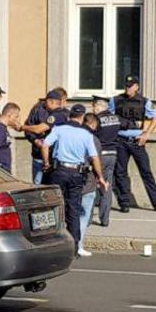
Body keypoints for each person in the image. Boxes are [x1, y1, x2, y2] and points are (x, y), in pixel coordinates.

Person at [41, 104, 108, 252]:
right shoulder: (86, 135)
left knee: (55, 207)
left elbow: (45, 145)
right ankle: (74, 246)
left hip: (59, 171)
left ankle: (52, 243)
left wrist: (46, 163)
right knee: (73, 210)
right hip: (76, 173)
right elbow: (94, 158)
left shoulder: (59, 129)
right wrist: (100, 177)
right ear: (82, 117)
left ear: (69, 115)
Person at [110, 75, 156, 212]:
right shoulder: (115, 100)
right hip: (120, 140)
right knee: (120, 173)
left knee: (146, 172)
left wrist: (147, 133)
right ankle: (124, 203)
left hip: (137, 142)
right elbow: (109, 116)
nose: (128, 88)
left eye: (130, 86)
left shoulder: (144, 101)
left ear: (137, 87)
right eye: (126, 86)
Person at [91, 94, 128, 227]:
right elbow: (128, 125)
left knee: (91, 186)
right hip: (112, 154)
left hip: (98, 155)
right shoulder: (116, 118)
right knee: (107, 186)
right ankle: (105, 219)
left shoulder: (96, 120)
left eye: (93, 106)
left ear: (99, 106)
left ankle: (88, 218)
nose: (93, 109)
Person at [23, 89, 69, 184]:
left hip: (56, 158)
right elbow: (30, 128)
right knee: (38, 185)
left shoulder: (63, 114)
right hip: (39, 155)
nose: (63, 103)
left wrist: (21, 127)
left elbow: (39, 129)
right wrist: (35, 140)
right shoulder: (38, 109)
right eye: (62, 100)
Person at [77, 112, 104, 257]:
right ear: (93, 124)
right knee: (84, 215)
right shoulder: (92, 139)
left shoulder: (72, 135)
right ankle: (79, 245)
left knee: (71, 214)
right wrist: (101, 178)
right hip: (87, 180)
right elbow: (96, 160)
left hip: (69, 177)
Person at [0, 102, 22, 172]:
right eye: (16, 116)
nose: (17, 120)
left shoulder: (2, 129)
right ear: (9, 115)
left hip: (4, 170)